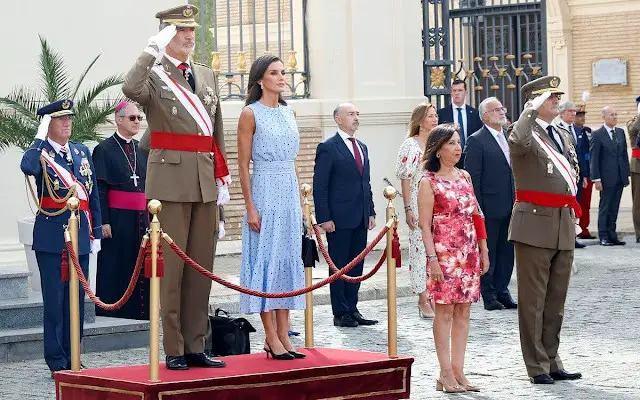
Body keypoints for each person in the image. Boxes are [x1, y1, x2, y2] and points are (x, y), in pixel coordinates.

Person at [122, 4, 230, 370]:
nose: (189, 37)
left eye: (192, 31)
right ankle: (174, 347)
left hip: (204, 182)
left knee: (200, 269)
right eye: (180, 31)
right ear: (167, 34)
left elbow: (216, 133)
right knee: (171, 271)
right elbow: (129, 87)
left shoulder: (206, 74)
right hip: (169, 182)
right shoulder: (154, 74)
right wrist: (152, 49)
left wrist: (221, 182)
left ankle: (197, 344)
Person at [20, 100, 103, 377]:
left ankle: (74, 355)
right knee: (55, 302)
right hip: (52, 237)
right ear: (48, 125)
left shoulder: (81, 151)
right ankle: (56, 360)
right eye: (60, 119)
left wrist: (97, 230)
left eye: (69, 118)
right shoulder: (40, 153)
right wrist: (38, 136)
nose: (67, 123)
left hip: (80, 235)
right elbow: (27, 166)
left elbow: (93, 196)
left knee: (76, 300)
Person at [508, 76, 582, 384]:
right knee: (533, 301)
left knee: (556, 301)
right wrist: (529, 112)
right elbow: (517, 143)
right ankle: (536, 365)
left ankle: (552, 359)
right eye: (550, 97)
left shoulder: (561, 133)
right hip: (534, 225)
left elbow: (572, 171)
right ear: (534, 102)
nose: (556, 101)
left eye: (556, 96)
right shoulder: (523, 130)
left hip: (562, 223)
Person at [237, 55, 306, 361]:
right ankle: (270, 337)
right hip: (264, 189)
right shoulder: (250, 114)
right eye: (274, 73)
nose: (281, 77)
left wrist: (303, 206)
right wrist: (250, 207)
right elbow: (241, 163)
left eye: (282, 72)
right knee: (266, 260)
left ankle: (284, 333)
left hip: (288, 190)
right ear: (260, 79)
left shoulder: (290, 112)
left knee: (287, 259)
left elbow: (294, 163)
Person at [417, 123, 489, 393]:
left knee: (463, 312)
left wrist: (483, 248)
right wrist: (432, 259)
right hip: (444, 254)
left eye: (458, 143)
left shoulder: (465, 177)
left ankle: (459, 370)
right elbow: (424, 225)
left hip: (468, 252)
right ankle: (444, 372)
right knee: (444, 311)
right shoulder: (428, 182)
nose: (457, 148)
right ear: (437, 149)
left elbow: (476, 213)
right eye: (451, 143)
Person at [313, 103, 377, 328]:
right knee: (339, 266)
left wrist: (370, 211)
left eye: (357, 113)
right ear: (338, 119)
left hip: (360, 217)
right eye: (351, 114)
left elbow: (365, 182)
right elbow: (320, 186)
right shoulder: (328, 147)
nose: (356, 117)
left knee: (356, 267)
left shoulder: (362, 147)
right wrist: (324, 218)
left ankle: (352, 308)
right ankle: (340, 312)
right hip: (338, 220)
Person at [92, 102, 149, 320]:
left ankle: (142, 311)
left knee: (141, 265)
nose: (137, 122)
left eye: (139, 118)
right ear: (119, 119)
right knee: (118, 267)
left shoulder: (141, 148)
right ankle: (115, 311)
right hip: (116, 221)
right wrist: (103, 221)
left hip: (142, 220)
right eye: (132, 118)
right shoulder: (104, 149)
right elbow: (99, 189)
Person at [464, 97, 516, 311]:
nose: (502, 112)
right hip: (489, 206)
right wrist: (478, 208)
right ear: (485, 116)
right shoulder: (476, 140)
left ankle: (503, 290)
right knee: (489, 251)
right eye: (496, 110)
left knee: (507, 251)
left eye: (502, 108)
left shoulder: (509, 137)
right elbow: (473, 178)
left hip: (511, 204)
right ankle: (489, 294)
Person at [394, 102, 438, 319]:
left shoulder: (437, 143)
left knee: (436, 251)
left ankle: (433, 294)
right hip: (418, 202)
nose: (434, 119)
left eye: (436, 115)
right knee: (420, 252)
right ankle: (422, 298)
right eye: (430, 115)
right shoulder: (410, 145)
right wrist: (408, 207)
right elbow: (405, 177)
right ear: (420, 120)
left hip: (437, 203)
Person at [590, 106, 630, 246]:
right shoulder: (597, 134)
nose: (615, 117)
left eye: (616, 114)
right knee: (605, 207)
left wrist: (626, 175)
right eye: (612, 114)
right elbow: (594, 159)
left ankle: (613, 235)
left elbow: (624, 155)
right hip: (605, 178)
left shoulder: (620, 132)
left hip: (619, 177)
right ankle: (603, 236)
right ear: (604, 117)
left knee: (614, 207)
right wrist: (596, 179)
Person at [554, 101, 590, 249]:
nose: (574, 114)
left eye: (574, 111)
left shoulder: (578, 130)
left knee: (576, 206)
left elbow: (583, 155)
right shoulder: (556, 129)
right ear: (561, 113)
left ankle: (573, 237)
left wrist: (584, 176)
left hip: (577, 176)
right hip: (563, 175)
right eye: (570, 111)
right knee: (564, 207)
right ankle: (563, 238)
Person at [437, 79, 483, 167]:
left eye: (460, 90)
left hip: (470, 155)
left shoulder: (475, 113)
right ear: (451, 93)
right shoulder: (442, 113)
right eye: (454, 90)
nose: (457, 93)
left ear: (466, 92)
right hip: (449, 156)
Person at [574, 103, 595, 239]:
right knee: (577, 203)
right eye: (579, 115)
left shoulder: (587, 131)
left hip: (589, 170)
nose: (582, 118)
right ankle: (577, 230)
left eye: (583, 115)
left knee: (586, 203)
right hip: (579, 173)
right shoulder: (572, 132)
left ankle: (584, 228)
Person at [627, 97, 640, 243]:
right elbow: (634, 131)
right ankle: (639, 232)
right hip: (638, 166)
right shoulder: (633, 122)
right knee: (638, 202)